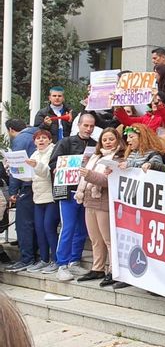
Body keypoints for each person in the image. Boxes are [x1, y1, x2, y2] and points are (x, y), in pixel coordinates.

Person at [48, 113, 98, 282]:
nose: (89, 129)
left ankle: (74, 261)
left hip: (87, 191)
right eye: (86, 125)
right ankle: (61, 264)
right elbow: (53, 163)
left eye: (91, 126)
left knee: (82, 229)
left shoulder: (95, 144)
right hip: (68, 191)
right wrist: (75, 162)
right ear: (79, 125)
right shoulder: (66, 142)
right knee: (68, 227)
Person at [76, 128, 127, 286]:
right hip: (89, 199)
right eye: (105, 140)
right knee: (95, 239)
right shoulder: (95, 157)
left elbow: (108, 180)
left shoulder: (119, 158)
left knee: (108, 239)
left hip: (104, 201)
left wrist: (88, 174)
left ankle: (112, 270)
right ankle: (97, 268)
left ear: (117, 140)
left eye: (111, 139)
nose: (108, 142)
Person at [13, 128, 55, 274]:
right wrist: (15, 170)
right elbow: (30, 177)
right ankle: (43, 260)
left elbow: (47, 173)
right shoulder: (35, 153)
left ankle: (55, 260)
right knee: (39, 229)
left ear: (50, 140)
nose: (41, 140)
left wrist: (35, 165)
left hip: (50, 197)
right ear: (34, 141)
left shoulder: (52, 151)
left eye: (44, 138)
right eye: (38, 138)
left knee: (49, 228)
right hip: (37, 197)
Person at [2, 120, 38, 272]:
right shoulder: (38, 135)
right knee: (37, 224)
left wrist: (12, 192)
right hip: (40, 186)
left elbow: (17, 168)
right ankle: (37, 256)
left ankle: (26, 258)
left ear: (11, 130)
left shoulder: (20, 140)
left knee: (24, 225)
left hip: (26, 187)